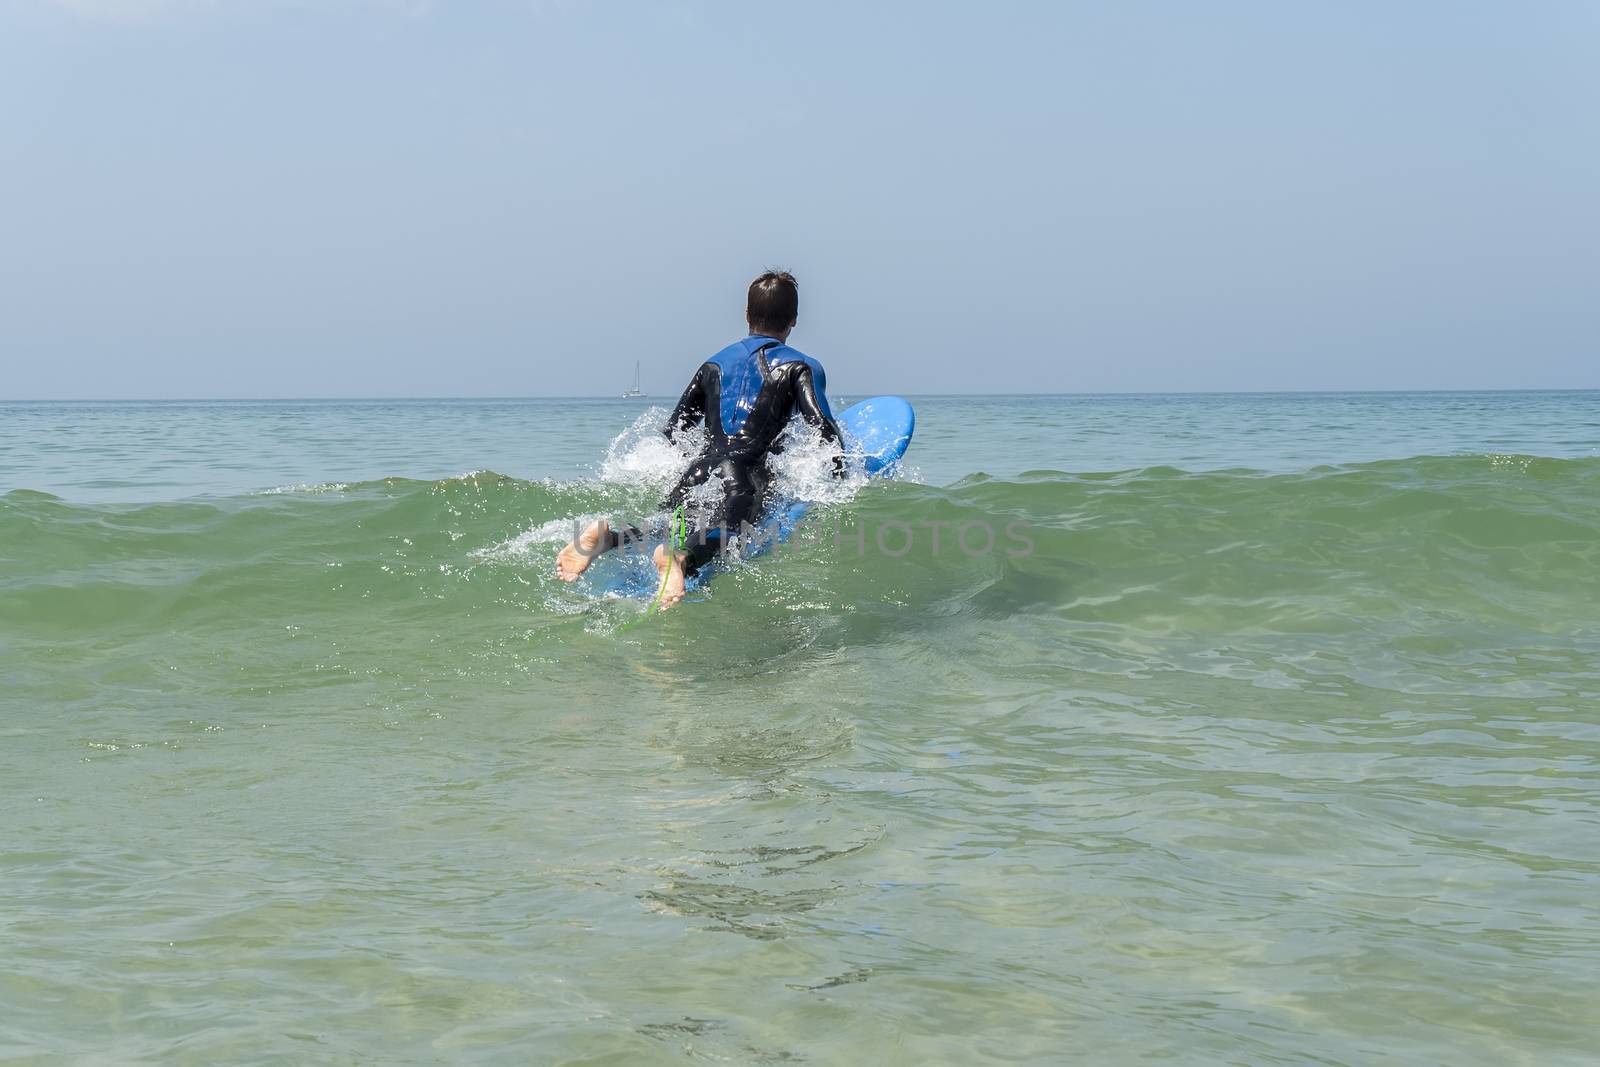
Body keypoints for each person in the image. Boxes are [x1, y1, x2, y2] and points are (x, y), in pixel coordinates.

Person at [557, 270, 844, 607]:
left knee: (665, 527)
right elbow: (823, 429)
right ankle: (679, 560)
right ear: (793, 320)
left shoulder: (713, 364)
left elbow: (674, 433)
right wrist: (841, 479)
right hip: (743, 476)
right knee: (729, 537)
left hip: (695, 472)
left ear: (747, 316)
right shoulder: (801, 366)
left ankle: (608, 538)